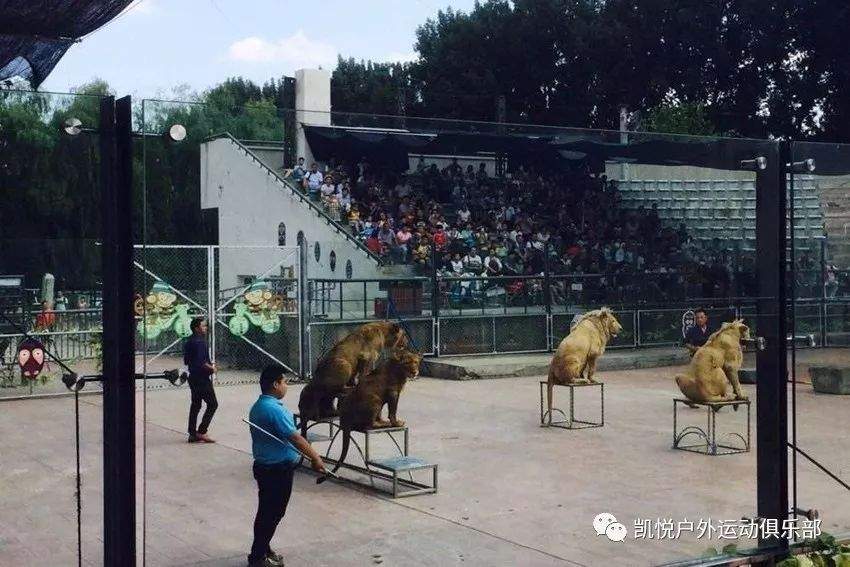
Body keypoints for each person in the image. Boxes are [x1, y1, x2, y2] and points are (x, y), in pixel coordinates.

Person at [247, 364, 325, 566]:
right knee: (272, 513)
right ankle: (257, 557)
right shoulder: (274, 410)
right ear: (275, 384)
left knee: (267, 511)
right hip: (276, 469)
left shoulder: (259, 406)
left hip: (264, 466)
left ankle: (263, 548)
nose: (286, 386)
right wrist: (315, 458)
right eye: (284, 382)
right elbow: (296, 439)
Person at [184, 317, 218, 443]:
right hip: (201, 378)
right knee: (213, 404)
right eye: (203, 326)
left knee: (196, 405)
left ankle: (192, 433)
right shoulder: (199, 342)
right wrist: (212, 368)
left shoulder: (190, 341)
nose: (206, 328)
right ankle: (202, 431)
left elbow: (187, 361)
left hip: (193, 377)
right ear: (196, 328)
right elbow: (201, 362)